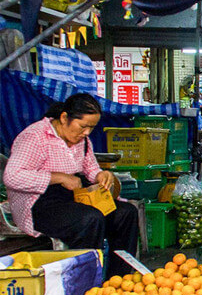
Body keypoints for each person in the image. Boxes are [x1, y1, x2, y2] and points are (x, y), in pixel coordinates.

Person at [3, 94, 138, 277]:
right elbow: (12, 177)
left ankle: (118, 280)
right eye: (83, 126)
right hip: (38, 204)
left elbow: (90, 167)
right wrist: (58, 177)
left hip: (72, 198)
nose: (87, 133)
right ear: (65, 118)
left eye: (91, 128)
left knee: (126, 213)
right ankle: (86, 285)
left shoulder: (82, 140)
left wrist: (100, 175)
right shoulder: (35, 137)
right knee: (90, 219)